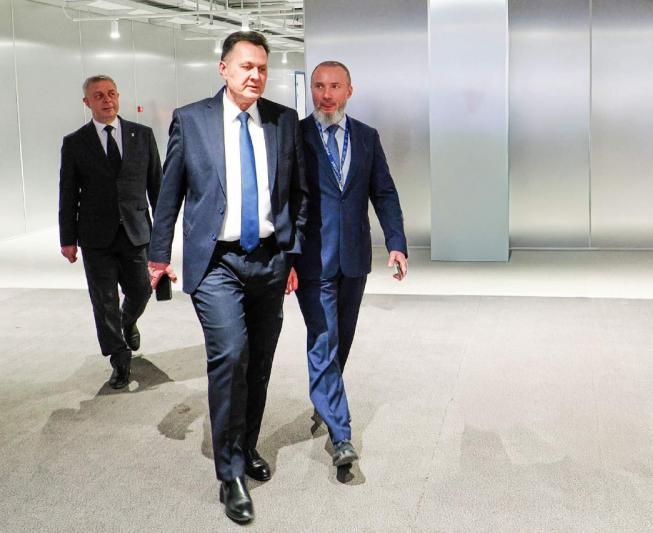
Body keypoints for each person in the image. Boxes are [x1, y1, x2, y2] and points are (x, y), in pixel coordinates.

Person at [147, 31, 307, 524]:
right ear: (223, 68)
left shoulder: (283, 120)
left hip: (269, 260)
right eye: (246, 66)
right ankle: (230, 472)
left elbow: (298, 195)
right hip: (216, 261)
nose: (255, 75)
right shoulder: (191, 120)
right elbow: (170, 193)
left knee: (258, 361)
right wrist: (158, 256)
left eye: (262, 68)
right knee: (231, 354)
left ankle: (246, 444)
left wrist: (292, 254)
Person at [285, 61, 408, 468]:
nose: (326, 95)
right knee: (324, 339)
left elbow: (383, 192)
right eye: (319, 86)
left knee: (342, 340)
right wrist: (285, 255)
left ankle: (324, 395)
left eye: (335, 86)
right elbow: (283, 198)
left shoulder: (367, 137)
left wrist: (396, 243)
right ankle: (342, 436)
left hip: (354, 258)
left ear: (349, 91)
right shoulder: (295, 136)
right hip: (311, 260)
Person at [59, 75, 161, 390]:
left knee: (141, 289)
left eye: (111, 93)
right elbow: (67, 193)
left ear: (118, 96)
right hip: (95, 235)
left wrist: (164, 234)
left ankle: (127, 322)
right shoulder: (75, 142)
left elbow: (157, 186)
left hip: (135, 230)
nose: (107, 100)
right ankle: (119, 360)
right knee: (103, 301)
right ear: (87, 102)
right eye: (99, 96)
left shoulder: (142, 135)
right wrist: (67, 238)